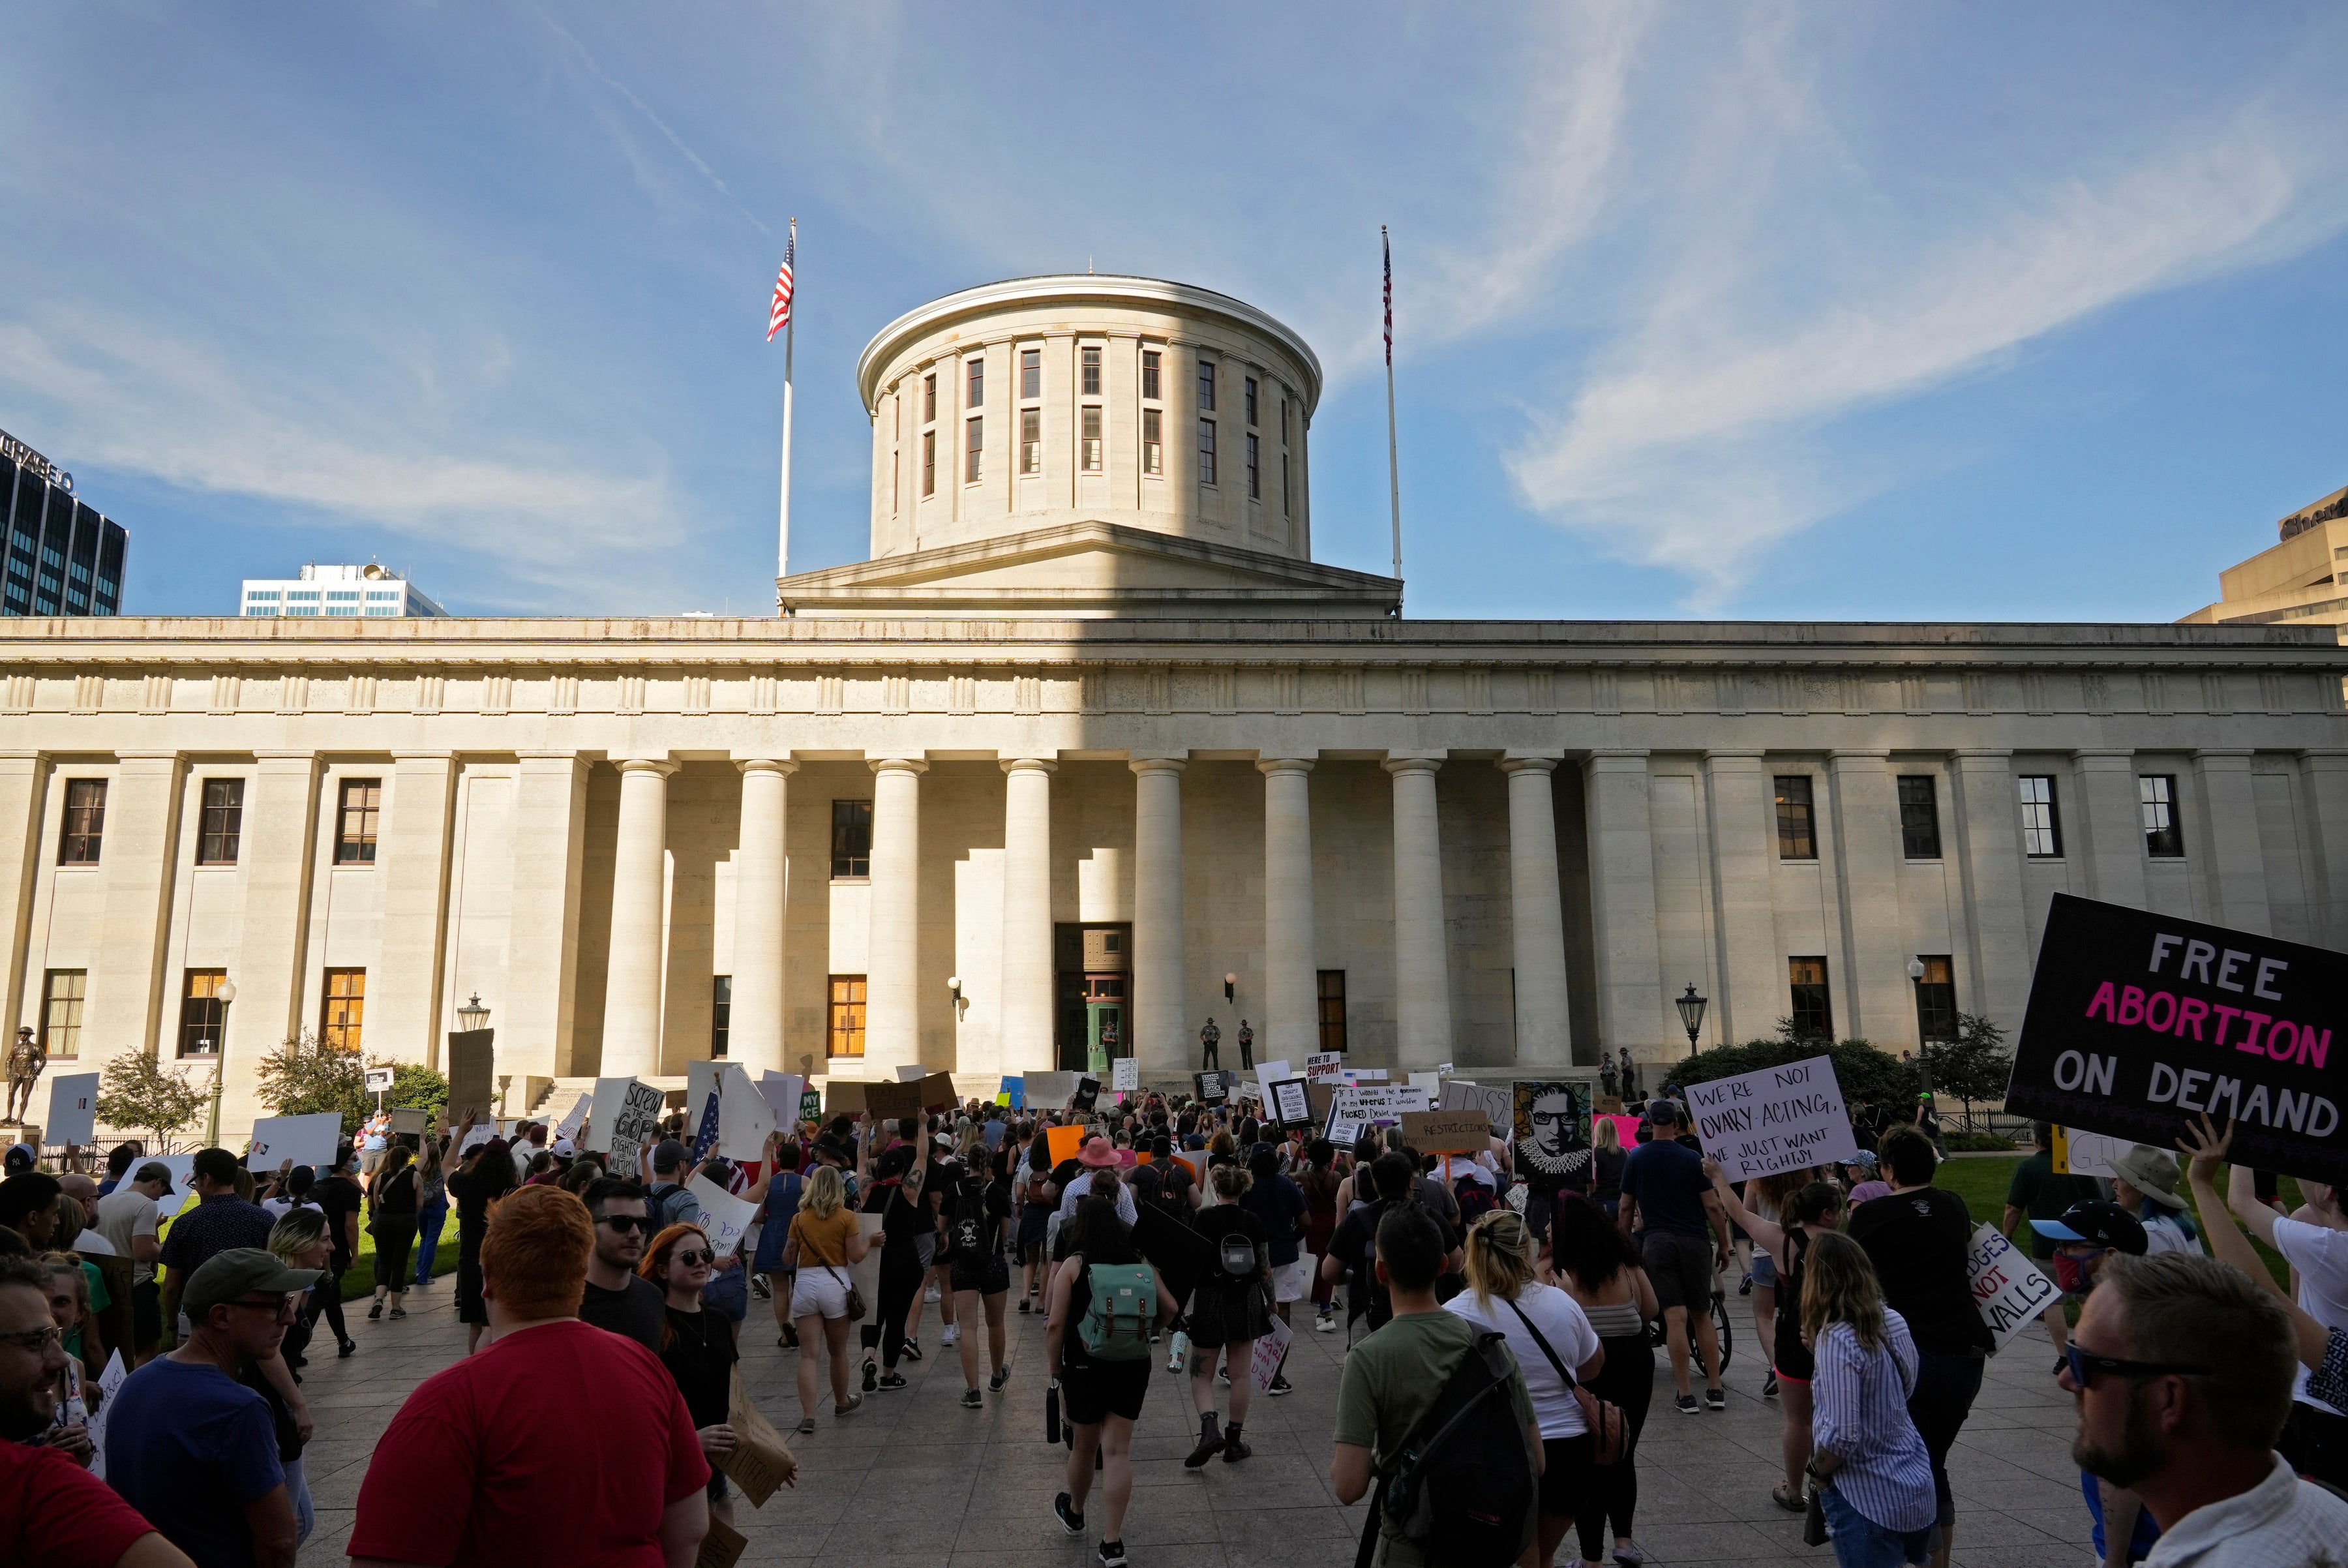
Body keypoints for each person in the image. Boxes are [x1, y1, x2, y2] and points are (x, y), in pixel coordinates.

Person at [348, 1184, 723, 1566]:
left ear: (487, 1281)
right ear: (580, 1276)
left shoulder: (447, 1403)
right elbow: (690, 1526)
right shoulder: (648, 1369)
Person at [1331, 1205, 1543, 1567]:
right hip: (1483, 1541)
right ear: (1444, 1266)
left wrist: (1383, 1459)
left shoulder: (1368, 1359)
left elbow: (1348, 1487)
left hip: (1412, 1545)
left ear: (1380, 1272)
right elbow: (1536, 1460)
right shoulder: (1491, 1346)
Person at [106, 1248, 312, 1568]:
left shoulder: (137, 1383)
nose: (289, 1318)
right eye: (275, 1305)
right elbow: (279, 1542)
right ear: (221, 1316)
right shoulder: (239, 1409)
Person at [1846, 1125, 1991, 1568]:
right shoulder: (1952, 1206)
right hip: (1964, 1351)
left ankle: (1924, 1558)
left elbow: (1854, 1281)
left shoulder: (1870, 1218)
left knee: (1917, 1464)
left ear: (1887, 1172)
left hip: (1910, 1354)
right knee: (1935, 1458)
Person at [0, 1254, 198, 1568]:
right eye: (33, 1340)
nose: (59, 1359)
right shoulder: (35, 1479)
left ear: (81, 1315)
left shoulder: (72, 1371)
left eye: (54, 1336)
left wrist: (81, 1451)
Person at [2196, 1121, 2348, 1489]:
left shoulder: (2328, 1248)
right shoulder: (2322, 1237)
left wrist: (2235, 1152)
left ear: (2328, 1190)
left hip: (2329, 1409)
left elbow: (2242, 1203)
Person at [1447, 1209, 1603, 1568]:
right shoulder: (1562, 1302)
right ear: (1525, 1252)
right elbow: (1593, 1365)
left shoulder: (1454, 1314)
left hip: (1495, 1449)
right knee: (1540, 1555)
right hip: (1568, 1450)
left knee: (1518, 1553)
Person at [1046, 1192, 1179, 1568]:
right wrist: (1147, 1331)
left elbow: (1055, 1324)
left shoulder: (1073, 1265)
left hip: (1084, 1365)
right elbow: (1171, 1308)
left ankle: (1075, 1513)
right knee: (1118, 1451)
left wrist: (1055, 1369)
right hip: (1131, 1364)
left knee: (1084, 1448)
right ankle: (1113, 1543)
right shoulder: (1140, 1262)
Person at [2025, 1197, 2161, 1565]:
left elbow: (2120, 1462)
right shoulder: (2140, 1314)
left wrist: (2114, 1558)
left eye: (2071, 1246)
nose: (2061, 1255)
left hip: (2141, 1548)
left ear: (2111, 1255)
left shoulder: (2118, 1333)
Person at [1708, 1160, 1846, 1512]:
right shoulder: (1843, 1246)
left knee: (1798, 1420)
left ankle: (1795, 1489)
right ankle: (1834, 1482)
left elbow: (1739, 1214)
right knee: (1838, 1414)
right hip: (1840, 1340)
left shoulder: (1782, 1240)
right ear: (1829, 1214)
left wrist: (1719, 1178)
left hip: (1795, 1339)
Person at [1800, 1230, 1938, 1568]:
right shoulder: (1893, 1320)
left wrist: (1816, 1472)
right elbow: (1902, 1391)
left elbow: (1842, 1435)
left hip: (1865, 1497)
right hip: (1912, 1485)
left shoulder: (1836, 1338)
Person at [1551, 1190, 1655, 1568]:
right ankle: (1624, 1543)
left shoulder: (1562, 1272)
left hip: (1587, 1367)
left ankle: (1591, 1559)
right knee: (1622, 1449)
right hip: (1635, 1365)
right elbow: (1651, 1309)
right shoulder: (1626, 1262)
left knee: (1591, 1456)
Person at [1615, 1098, 1728, 1414]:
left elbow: (1625, 1207)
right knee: (1701, 1315)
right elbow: (1713, 1206)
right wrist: (1723, 1243)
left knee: (1674, 1317)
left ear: (1650, 1124)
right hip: (1694, 1240)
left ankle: (1686, 1394)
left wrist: (1624, 1243)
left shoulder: (1636, 1158)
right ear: (1677, 1126)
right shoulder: (1692, 1158)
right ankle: (1716, 1389)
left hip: (1657, 1241)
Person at [639, 1224, 745, 1531]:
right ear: (661, 1269)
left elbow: (734, 1396)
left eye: (706, 1254)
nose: (701, 1262)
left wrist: (770, 1456)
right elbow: (641, 1413)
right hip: (670, 1470)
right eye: (688, 1257)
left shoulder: (718, 1320)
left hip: (715, 1468)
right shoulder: (653, 1328)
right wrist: (690, 1441)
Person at [1186, 1162, 1273, 1465]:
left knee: (1201, 1373)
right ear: (1243, 1189)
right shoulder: (1254, 1221)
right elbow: (1264, 1268)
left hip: (1210, 1299)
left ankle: (1209, 1429)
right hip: (1246, 1300)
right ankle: (1234, 1441)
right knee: (1239, 1374)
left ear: (1217, 1187)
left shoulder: (1203, 1218)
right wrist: (1271, 1302)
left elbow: (1191, 1263)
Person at [1324, 1152, 1462, 1334]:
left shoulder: (1356, 1221)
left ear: (1376, 1184)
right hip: (1425, 1318)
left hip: (1368, 1317)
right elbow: (1457, 1262)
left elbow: (1329, 1272)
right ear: (1411, 1183)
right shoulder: (1430, 1218)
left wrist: (1360, 1275)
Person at [261, 1213, 334, 1543]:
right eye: (323, 1240)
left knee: (298, 1520)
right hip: (273, 1406)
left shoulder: (295, 1283)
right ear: (299, 1243)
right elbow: (269, 1351)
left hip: (275, 1402)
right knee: (289, 1527)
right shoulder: (285, 1287)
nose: (331, 1247)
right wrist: (298, 1404)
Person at [783, 1162, 870, 1432]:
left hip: (806, 1285)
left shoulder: (798, 1219)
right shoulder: (846, 1217)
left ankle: (809, 1416)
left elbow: (787, 1258)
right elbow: (855, 1256)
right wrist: (871, 1242)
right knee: (838, 1352)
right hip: (835, 1285)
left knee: (809, 1356)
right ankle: (841, 1402)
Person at [2002, 1121, 2099, 1363]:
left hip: (2046, 1245)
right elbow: (2098, 1203)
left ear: (2036, 1140)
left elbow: (2014, 1209)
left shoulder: (2029, 1167)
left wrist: (2007, 1236)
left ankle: (2063, 1356)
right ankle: (2096, 1347)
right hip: (2082, 1244)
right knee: (2086, 1297)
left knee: (2053, 1301)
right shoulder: (2078, 1166)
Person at [156, 1149, 274, 1338]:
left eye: (195, 1180)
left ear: (207, 1178)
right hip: (249, 1315)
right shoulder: (264, 1218)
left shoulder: (186, 1223)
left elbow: (171, 1286)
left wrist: (172, 1324)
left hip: (200, 1320)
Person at [943, 1143, 1014, 1408]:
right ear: (989, 1164)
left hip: (963, 1264)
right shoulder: (997, 1192)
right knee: (995, 1323)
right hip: (993, 1263)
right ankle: (996, 1377)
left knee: (969, 1327)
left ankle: (973, 1391)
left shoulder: (955, 1190)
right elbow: (1005, 1235)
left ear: (967, 1163)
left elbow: (942, 1226)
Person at [860, 1130, 931, 1391]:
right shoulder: (909, 1192)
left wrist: (864, 1128)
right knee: (897, 1319)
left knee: (873, 1317)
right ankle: (889, 1375)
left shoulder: (867, 1190)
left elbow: (861, 1161)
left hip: (875, 1261)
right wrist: (922, 1125)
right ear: (902, 1171)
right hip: (904, 1262)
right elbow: (922, 1156)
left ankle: (868, 1357)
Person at [445, 1122, 518, 1354]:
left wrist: (462, 1132)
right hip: (503, 1264)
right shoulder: (514, 1192)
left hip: (470, 1262)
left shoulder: (466, 1184)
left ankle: (474, 1369)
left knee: (476, 1326)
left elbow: (446, 1165)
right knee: (498, 1325)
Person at [95, 1160, 171, 1364]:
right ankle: (130, 1389)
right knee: (149, 1347)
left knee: (117, 1346)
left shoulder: (104, 1201)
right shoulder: (146, 1204)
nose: (160, 1198)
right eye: (162, 1192)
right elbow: (144, 1251)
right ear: (157, 1183)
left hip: (108, 1284)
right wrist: (166, 1248)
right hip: (136, 1285)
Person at [579, 1176, 667, 1353]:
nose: (635, 1233)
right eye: (621, 1224)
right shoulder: (566, 1304)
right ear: (588, 1227)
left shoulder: (653, 1297)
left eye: (643, 1224)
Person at [1238, 1141, 1308, 1348]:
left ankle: (1253, 1360)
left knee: (1253, 1309)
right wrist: (1291, 1239)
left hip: (1252, 1259)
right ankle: (1275, 1367)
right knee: (1283, 1312)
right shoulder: (1286, 1185)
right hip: (1285, 1256)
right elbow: (1306, 1222)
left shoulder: (1245, 1189)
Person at [308, 1148, 363, 1359]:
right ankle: (294, 1345)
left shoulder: (319, 1186)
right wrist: (355, 1254)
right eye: (353, 1159)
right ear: (344, 1163)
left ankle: (344, 1341)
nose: (356, 1162)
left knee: (332, 1297)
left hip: (315, 1246)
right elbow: (351, 1225)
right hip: (336, 1248)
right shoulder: (349, 1190)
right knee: (321, 1297)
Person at [2107, 1147, 2196, 1256]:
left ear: (2142, 1191)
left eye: (2122, 1178)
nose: (2115, 1185)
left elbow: (2153, 1273)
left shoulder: (2150, 1233)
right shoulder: (2175, 1222)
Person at [367, 1144, 419, 1320]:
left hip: (383, 1221)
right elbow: (420, 1204)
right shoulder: (415, 1176)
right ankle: (396, 1307)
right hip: (405, 1220)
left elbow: (375, 1202)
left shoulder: (381, 1177)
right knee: (399, 1262)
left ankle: (378, 1299)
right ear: (407, 1160)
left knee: (384, 1261)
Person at [1298, 1138, 1342, 1332]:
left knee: (1314, 1260)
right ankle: (1325, 1300)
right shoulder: (1337, 1176)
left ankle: (1316, 1295)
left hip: (1313, 1222)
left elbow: (1289, 1173)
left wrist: (1300, 1149)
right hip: (1331, 1220)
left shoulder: (1305, 1176)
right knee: (1328, 1258)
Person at [411, 1134, 449, 1289]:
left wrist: (433, 1141)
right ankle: (424, 1276)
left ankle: (419, 1271)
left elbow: (426, 1155)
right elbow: (458, 1160)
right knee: (432, 1241)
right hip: (437, 1207)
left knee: (424, 1239)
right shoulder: (441, 1167)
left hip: (421, 1207)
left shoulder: (419, 1168)